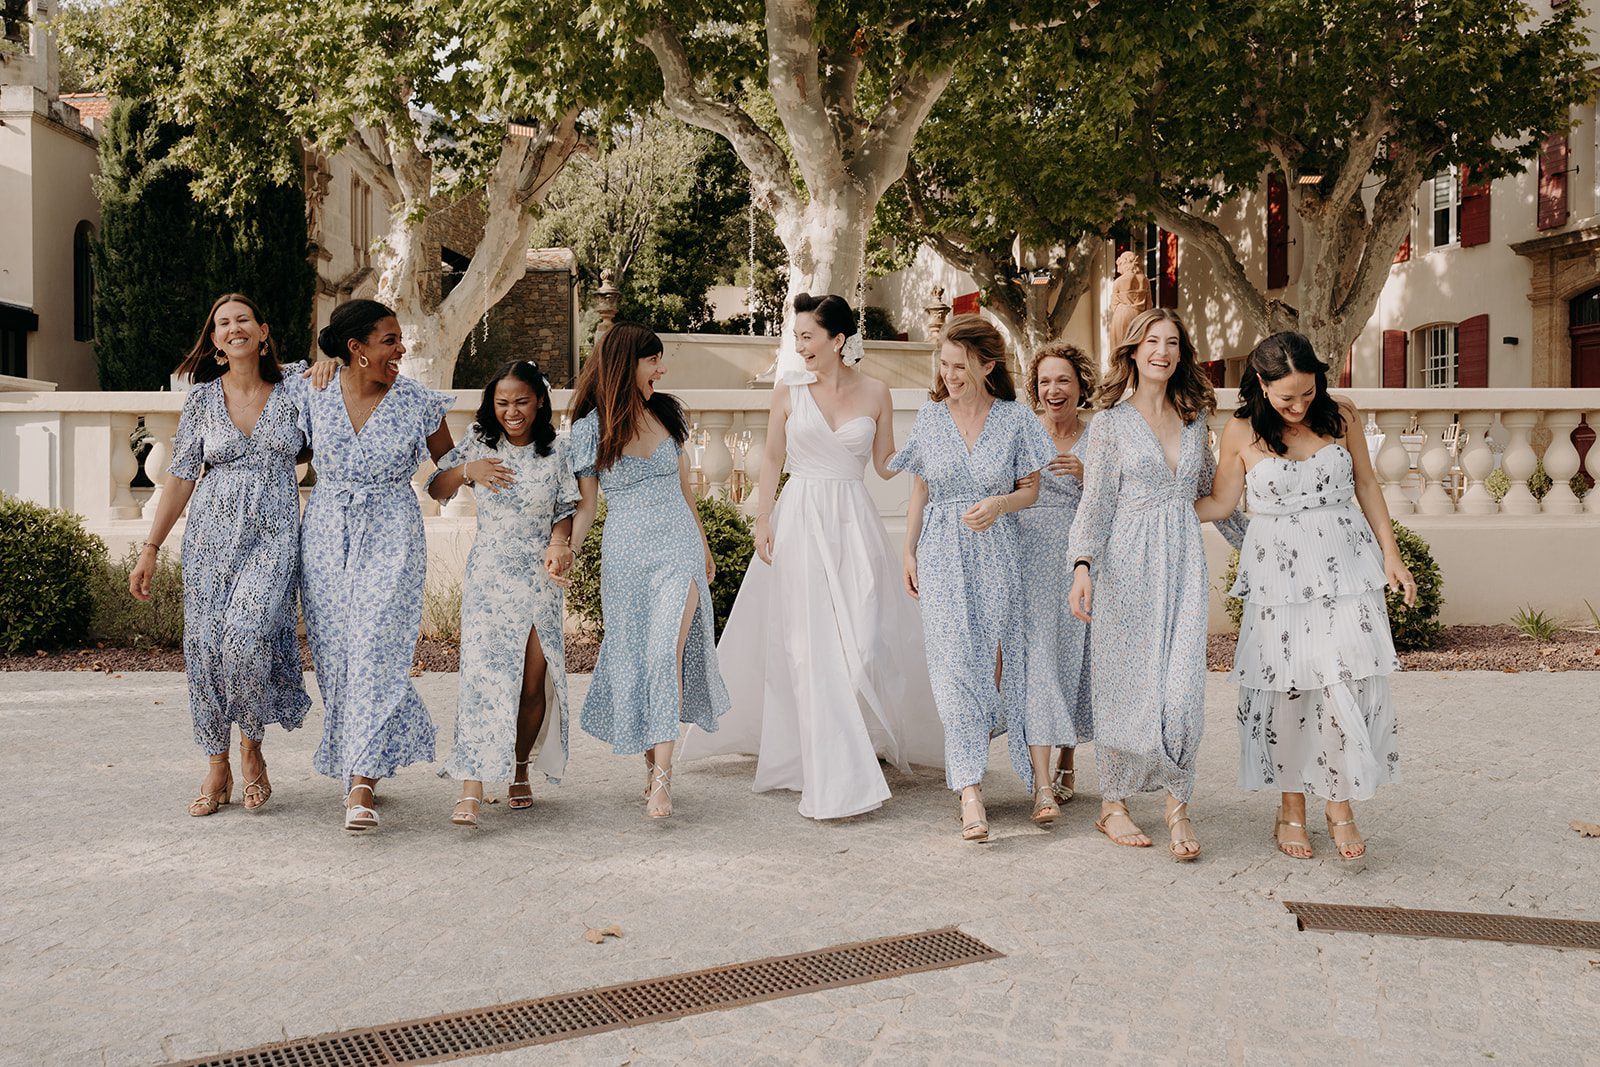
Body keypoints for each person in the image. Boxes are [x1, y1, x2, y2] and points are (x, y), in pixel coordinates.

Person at [683, 294, 943, 820]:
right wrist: (761, 519)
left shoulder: (876, 392)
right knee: (806, 646)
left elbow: (887, 464)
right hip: (799, 518)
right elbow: (773, 457)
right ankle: (830, 766)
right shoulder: (788, 390)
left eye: (806, 336)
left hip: (853, 521)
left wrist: (929, 451)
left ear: (838, 340)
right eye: (796, 336)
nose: (798, 345)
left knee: (865, 640)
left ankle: (852, 737)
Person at [1196, 331, 1414, 860]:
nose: (1298, 406)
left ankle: (1339, 804)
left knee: (1346, 680)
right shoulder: (1241, 431)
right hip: (1279, 578)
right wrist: (1144, 509)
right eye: (1286, 396)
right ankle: (1291, 807)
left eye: (1307, 393)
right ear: (1261, 385)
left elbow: (1366, 485)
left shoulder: (1341, 418)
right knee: (1288, 687)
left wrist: (1391, 554)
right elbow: (1222, 504)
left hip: (1346, 566)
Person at [1067, 308, 1246, 862]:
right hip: (1125, 565)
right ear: (1133, 350)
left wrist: (1262, 547)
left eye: (1172, 342)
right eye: (1151, 341)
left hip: (1183, 565)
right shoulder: (1110, 425)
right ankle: (1113, 805)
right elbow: (1095, 503)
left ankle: (1176, 805)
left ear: (1182, 353)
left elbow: (1213, 498)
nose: (1162, 352)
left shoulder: (1195, 421)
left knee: (1182, 691)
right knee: (1125, 685)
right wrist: (1081, 568)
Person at [130, 293, 311, 816]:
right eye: (223, 324)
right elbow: (182, 476)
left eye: (243, 320)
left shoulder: (296, 389)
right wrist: (151, 548)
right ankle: (217, 762)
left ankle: (250, 746)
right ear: (213, 341)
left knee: (244, 638)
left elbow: (340, 376)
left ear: (263, 331)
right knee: (206, 648)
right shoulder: (203, 402)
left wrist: (323, 365)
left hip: (273, 538)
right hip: (209, 540)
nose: (234, 329)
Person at [890, 315, 1056, 842]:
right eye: (944, 364)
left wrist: (1001, 503)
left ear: (987, 365)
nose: (950, 374)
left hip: (998, 551)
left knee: (1005, 663)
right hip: (940, 551)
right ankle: (970, 790)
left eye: (960, 366)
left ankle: (1039, 779)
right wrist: (908, 551)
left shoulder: (1015, 420)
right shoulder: (930, 418)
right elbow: (919, 491)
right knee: (953, 665)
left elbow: (1031, 490)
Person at [299, 299, 456, 831]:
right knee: (337, 657)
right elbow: (276, 444)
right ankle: (363, 762)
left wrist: (468, 470)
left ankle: (361, 781)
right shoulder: (312, 391)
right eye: (389, 340)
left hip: (392, 534)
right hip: (324, 535)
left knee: (375, 652)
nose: (400, 349)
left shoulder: (417, 402)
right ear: (356, 349)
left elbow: (442, 477)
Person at [566, 322, 730, 819]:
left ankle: (663, 780)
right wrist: (565, 554)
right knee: (638, 661)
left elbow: (685, 488)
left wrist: (702, 546)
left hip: (677, 549)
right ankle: (650, 763)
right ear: (626, 364)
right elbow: (587, 508)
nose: (662, 369)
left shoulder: (667, 413)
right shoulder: (588, 429)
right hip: (626, 557)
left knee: (665, 654)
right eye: (653, 360)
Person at [428, 360, 580, 828]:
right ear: (492, 406)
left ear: (539, 403)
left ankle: (517, 767)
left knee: (533, 681)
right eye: (502, 402)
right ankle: (471, 786)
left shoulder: (558, 452)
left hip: (539, 577)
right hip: (491, 577)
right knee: (483, 681)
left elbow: (566, 507)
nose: (512, 411)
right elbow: (437, 488)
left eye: (521, 401)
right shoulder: (479, 444)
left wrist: (559, 544)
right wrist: (467, 470)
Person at [1017, 342, 1097, 808]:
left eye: (1063, 379)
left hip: (1079, 557)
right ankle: (1043, 777)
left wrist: (1088, 474)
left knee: (1077, 658)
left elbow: (1116, 493)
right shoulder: (1024, 431)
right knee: (1042, 660)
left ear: (1080, 385)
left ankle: (1068, 754)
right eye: (1045, 381)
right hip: (1029, 554)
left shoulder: (1098, 433)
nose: (1054, 389)